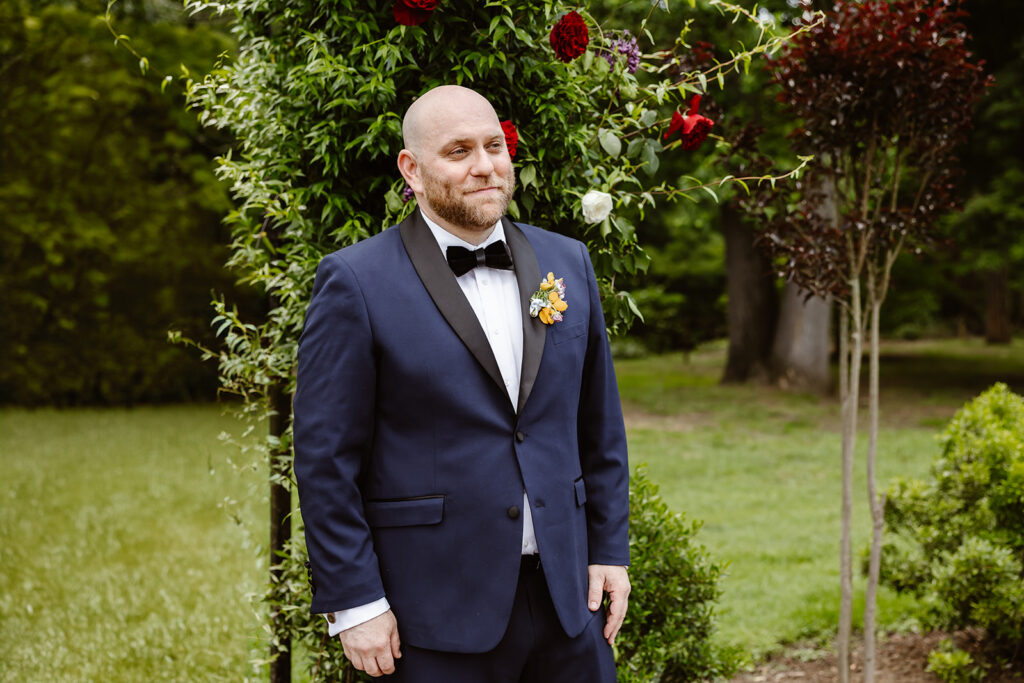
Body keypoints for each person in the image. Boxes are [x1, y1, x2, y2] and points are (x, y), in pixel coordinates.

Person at [293, 84, 630, 682]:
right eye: (458, 151)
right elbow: (325, 458)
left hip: (568, 604)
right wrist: (356, 603)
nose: (485, 166)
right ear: (412, 170)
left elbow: (598, 426)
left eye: (494, 146)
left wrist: (609, 550)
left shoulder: (568, 262)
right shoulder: (356, 282)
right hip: (430, 616)